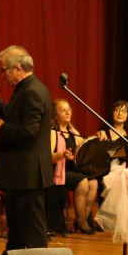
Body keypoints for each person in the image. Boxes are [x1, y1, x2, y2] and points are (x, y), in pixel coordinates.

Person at [0, 45, 54, 251]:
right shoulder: (26, 88)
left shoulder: (32, 91)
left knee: (32, 228)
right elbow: (17, 116)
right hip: (22, 173)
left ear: (17, 68)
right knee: (17, 227)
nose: (3, 75)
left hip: (28, 173)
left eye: (4, 70)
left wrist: (1, 128)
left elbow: (29, 131)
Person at [50, 98, 98, 235]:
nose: (67, 112)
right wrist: (62, 155)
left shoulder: (73, 131)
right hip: (58, 171)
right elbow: (49, 157)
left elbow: (85, 146)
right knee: (83, 182)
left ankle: (81, 219)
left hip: (73, 171)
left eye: (69, 109)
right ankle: (82, 222)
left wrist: (96, 138)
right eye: (63, 110)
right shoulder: (53, 132)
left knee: (94, 182)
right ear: (55, 114)